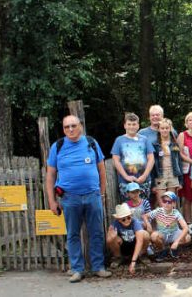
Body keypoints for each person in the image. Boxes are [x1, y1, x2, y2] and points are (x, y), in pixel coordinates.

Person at [45, 115, 111, 282]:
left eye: (73, 125)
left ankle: (98, 267)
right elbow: (50, 175)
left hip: (92, 196)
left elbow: (102, 171)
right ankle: (77, 269)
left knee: (96, 233)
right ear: (63, 129)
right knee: (73, 234)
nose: (71, 129)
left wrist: (101, 193)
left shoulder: (91, 143)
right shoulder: (58, 147)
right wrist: (52, 201)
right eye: (67, 127)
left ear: (80, 126)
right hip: (69, 198)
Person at [111, 112, 155, 201]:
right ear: (125, 125)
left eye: (134, 124)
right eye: (129, 124)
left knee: (144, 207)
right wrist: (126, 177)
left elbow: (151, 158)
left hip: (143, 181)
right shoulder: (119, 140)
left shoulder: (144, 139)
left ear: (138, 125)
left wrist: (144, 175)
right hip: (125, 182)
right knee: (128, 210)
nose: (131, 127)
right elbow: (116, 160)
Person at [107, 203, 150, 274]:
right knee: (112, 238)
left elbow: (140, 241)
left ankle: (141, 255)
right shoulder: (115, 224)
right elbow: (108, 241)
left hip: (135, 246)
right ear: (119, 220)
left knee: (145, 234)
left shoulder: (135, 222)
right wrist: (112, 237)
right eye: (123, 219)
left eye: (129, 217)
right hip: (123, 247)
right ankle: (118, 257)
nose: (127, 220)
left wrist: (133, 262)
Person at [147, 191, 191, 261]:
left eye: (169, 202)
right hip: (162, 234)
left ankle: (173, 247)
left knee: (188, 238)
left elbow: (185, 228)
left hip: (174, 233)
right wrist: (148, 224)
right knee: (154, 236)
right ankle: (163, 249)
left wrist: (176, 241)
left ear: (174, 203)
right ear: (162, 202)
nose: (166, 204)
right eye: (164, 201)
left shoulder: (176, 213)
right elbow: (145, 216)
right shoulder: (158, 211)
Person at [152, 118, 183, 206]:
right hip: (160, 175)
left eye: (166, 128)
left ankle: (172, 220)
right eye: (162, 128)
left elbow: (179, 162)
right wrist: (153, 184)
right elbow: (153, 165)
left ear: (170, 129)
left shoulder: (174, 143)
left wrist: (180, 181)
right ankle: (161, 219)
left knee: (171, 203)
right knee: (162, 203)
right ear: (159, 129)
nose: (164, 130)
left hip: (173, 174)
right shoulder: (155, 145)